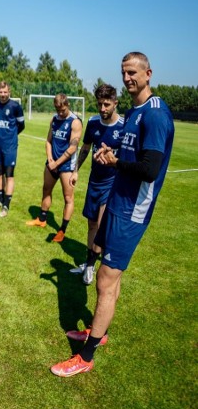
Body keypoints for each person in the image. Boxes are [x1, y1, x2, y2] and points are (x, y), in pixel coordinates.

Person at [51, 52, 174, 377]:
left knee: (105, 280)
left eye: (133, 72)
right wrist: (113, 154)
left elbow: (149, 169)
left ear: (149, 72)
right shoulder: (134, 112)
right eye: (124, 73)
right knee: (108, 277)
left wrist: (116, 162)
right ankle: (97, 331)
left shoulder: (156, 114)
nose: (128, 78)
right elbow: (132, 152)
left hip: (133, 209)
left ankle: (86, 356)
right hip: (118, 200)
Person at [69, 84, 124, 285]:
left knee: (101, 225)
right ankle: (90, 261)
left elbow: (128, 157)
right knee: (91, 224)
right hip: (95, 181)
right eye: (100, 104)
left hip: (112, 183)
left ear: (115, 103)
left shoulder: (123, 127)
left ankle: (91, 266)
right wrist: (75, 171)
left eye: (107, 104)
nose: (102, 108)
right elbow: (85, 148)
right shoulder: (92, 123)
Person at [25, 94, 83, 241]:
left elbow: (72, 148)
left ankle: (62, 230)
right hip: (52, 163)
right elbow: (48, 141)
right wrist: (50, 159)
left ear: (67, 105)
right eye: (57, 110)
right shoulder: (54, 119)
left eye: (62, 110)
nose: (60, 113)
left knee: (68, 197)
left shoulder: (75, 122)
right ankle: (42, 219)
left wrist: (57, 164)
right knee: (46, 189)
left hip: (66, 166)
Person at [0, 82, 26, 217]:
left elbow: (22, 126)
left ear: (9, 92)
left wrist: (11, 136)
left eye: (5, 92)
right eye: (0, 92)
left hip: (10, 145)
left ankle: (6, 205)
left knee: (9, 174)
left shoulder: (15, 106)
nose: (3, 95)